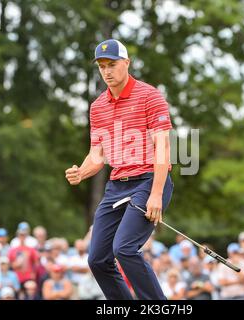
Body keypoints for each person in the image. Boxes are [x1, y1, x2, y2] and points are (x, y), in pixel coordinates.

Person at [65, 39, 174, 300]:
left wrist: (156, 194)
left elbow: (163, 148)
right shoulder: (98, 107)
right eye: (102, 66)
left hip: (148, 181)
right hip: (117, 186)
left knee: (124, 248)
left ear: (127, 63)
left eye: (112, 64)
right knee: (98, 259)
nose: (106, 71)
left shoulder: (150, 95)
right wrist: (81, 171)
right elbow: (97, 155)